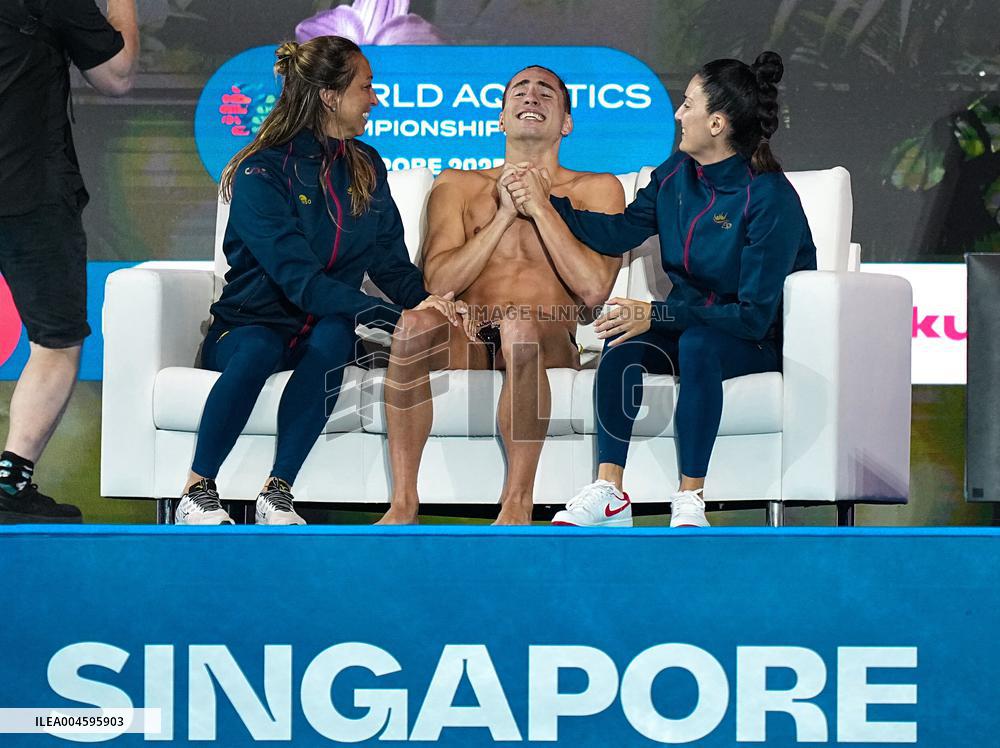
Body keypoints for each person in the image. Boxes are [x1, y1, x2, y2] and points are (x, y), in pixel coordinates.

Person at [513, 51, 817, 528]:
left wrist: (655, 315)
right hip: (691, 322)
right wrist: (546, 205)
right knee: (622, 345)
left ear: (716, 124)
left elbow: (754, 315)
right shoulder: (678, 173)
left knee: (697, 345)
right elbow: (620, 231)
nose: (678, 114)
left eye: (688, 104)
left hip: (753, 338)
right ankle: (610, 491)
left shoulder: (769, 197)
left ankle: (690, 497)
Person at [174, 35, 459, 525]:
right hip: (247, 325)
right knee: (262, 347)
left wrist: (432, 302)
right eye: (366, 87)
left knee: (333, 334)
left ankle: (277, 492)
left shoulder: (366, 164)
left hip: (321, 325)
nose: (376, 98)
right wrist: (395, 317)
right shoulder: (261, 171)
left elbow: (388, 261)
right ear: (330, 95)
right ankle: (197, 490)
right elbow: (298, 280)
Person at [376, 65, 626, 526]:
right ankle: (404, 503)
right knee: (411, 324)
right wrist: (503, 216)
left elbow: (592, 292)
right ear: (501, 117)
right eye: (520, 91)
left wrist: (540, 206)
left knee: (519, 324)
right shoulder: (458, 184)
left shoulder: (598, 188)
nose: (531, 97)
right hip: (469, 336)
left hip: (544, 336)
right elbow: (437, 283)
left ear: (566, 122)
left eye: (546, 92)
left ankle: (517, 503)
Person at [0, 0, 138, 523]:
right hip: (24, 190)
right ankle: (10, 487)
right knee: (56, 341)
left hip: (24, 186)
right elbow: (117, 73)